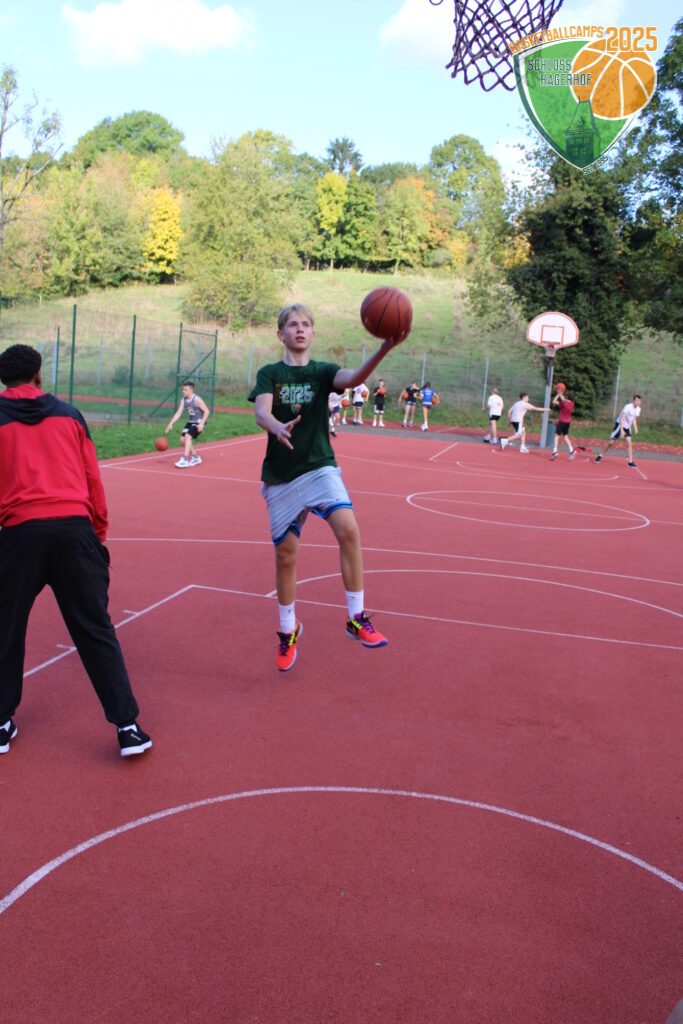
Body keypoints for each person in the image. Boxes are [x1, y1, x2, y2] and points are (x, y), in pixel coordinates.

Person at [0, 344, 151, 758]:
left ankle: (1, 723)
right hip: (74, 530)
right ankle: (128, 728)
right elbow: (92, 479)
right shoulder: (70, 415)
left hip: (19, 534)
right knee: (95, 629)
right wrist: (97, 533)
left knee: (6, 629)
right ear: (39, 375)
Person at [249, 303, 408, 671]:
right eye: (293, 324)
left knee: (348, 529)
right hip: (281, 474)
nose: (300, 329)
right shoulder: (270, 373)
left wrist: (384, 348)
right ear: (281, 334)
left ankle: (356, 617)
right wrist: (275, 426)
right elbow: (260, 411)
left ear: (313, 333)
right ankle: (288, 630)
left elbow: (353, 379)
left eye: (306, 324)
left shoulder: (322, 372)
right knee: (286, 556)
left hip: (320, 466)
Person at [165, 380, 209, 468]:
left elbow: (206, 411)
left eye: (185, 390)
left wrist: (201, 424)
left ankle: (184, 459)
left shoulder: (196, 399)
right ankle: (195, 457)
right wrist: (170, 423)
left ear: (191, 390)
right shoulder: (183, 400)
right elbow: (178, 413)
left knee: (188, 436)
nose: (183, 391)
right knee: (182, 440)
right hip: (191, 421)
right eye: (183, 389)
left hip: (199, 422)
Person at [594, 395, 642, 467]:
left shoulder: (638, 409)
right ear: (633, 401)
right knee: (611, 443)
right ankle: (600, 455)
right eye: (637, 400)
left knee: (629, 443)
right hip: (620, 425)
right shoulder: (627, 407)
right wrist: (622, 430)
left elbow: (634, 419)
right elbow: (622, 419)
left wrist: (636, 428)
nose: (638, 402)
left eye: (640, 401)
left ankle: (630, 462)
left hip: (627, 427)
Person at [550, 389, 577, 460]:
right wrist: (560, 394)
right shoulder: (572, 404)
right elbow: (564, 400)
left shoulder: (563, 403)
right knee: (565, 437)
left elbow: (554, 401)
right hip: (567, 422)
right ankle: (571, 451)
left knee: (556, 436)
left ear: (567, 397)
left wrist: (558, 394)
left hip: (561, 421)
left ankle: (554, 452)